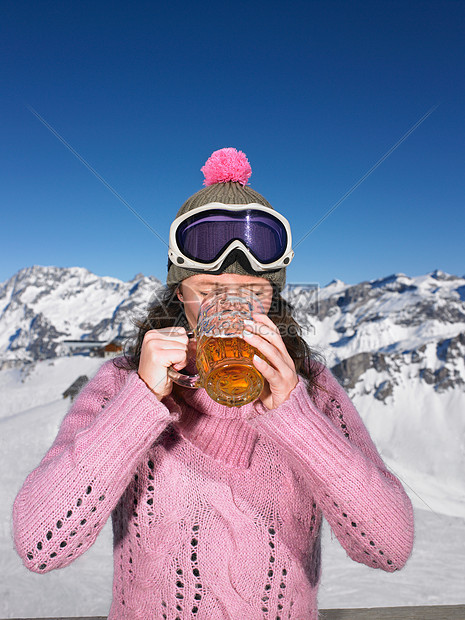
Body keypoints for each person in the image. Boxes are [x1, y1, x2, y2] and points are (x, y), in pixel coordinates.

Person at [13, 148, 414, 619]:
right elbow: (41, 545)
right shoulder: (122, 384)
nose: (230, 310)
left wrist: (296, 416)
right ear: (179, 291)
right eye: (208, 292)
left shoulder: (312, 389)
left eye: (251, 295)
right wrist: (139, 403)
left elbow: (389, 548)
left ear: (274, 297)